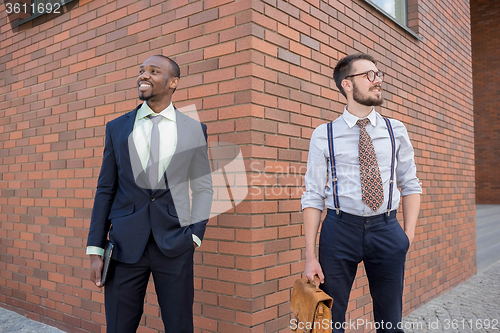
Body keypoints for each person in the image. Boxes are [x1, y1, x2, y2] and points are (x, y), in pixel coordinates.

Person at [86, 55, 213, 333]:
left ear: (173, 82)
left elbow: (203, 187)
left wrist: (195, 234)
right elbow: (106, 189)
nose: (144, 76)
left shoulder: (193, 129)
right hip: (124, 247)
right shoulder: (117, 127)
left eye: (154, 71)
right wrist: (95, 248)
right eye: (141, 71)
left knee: (180, 325)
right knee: (119, 326)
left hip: (175, 244)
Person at [302, 53, 421, 333]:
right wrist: (310, 255)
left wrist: (407, 236)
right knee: (330, 322)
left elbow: (411, 183)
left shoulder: (396, 130)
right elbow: (313, 195)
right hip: (340, 230)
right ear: (347, 84)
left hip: (387, 228)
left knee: (391, 323)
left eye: (378, 74)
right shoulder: (324, 134)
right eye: (369, 75)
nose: (377, 79)